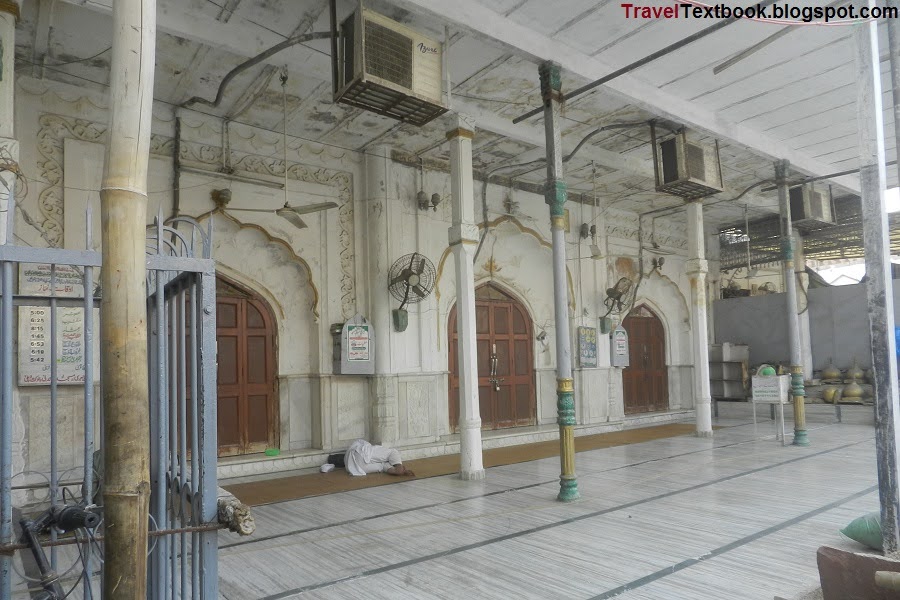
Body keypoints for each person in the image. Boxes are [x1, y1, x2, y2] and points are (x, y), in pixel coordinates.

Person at [342, 439, 415, 477]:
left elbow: (383, 466)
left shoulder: (376, 456)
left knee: (381, 464)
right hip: (357, 458)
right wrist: (399, 466)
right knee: (384, 458)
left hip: (355, 467)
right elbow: (393, 452)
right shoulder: (371, 450)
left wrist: (396, 470)